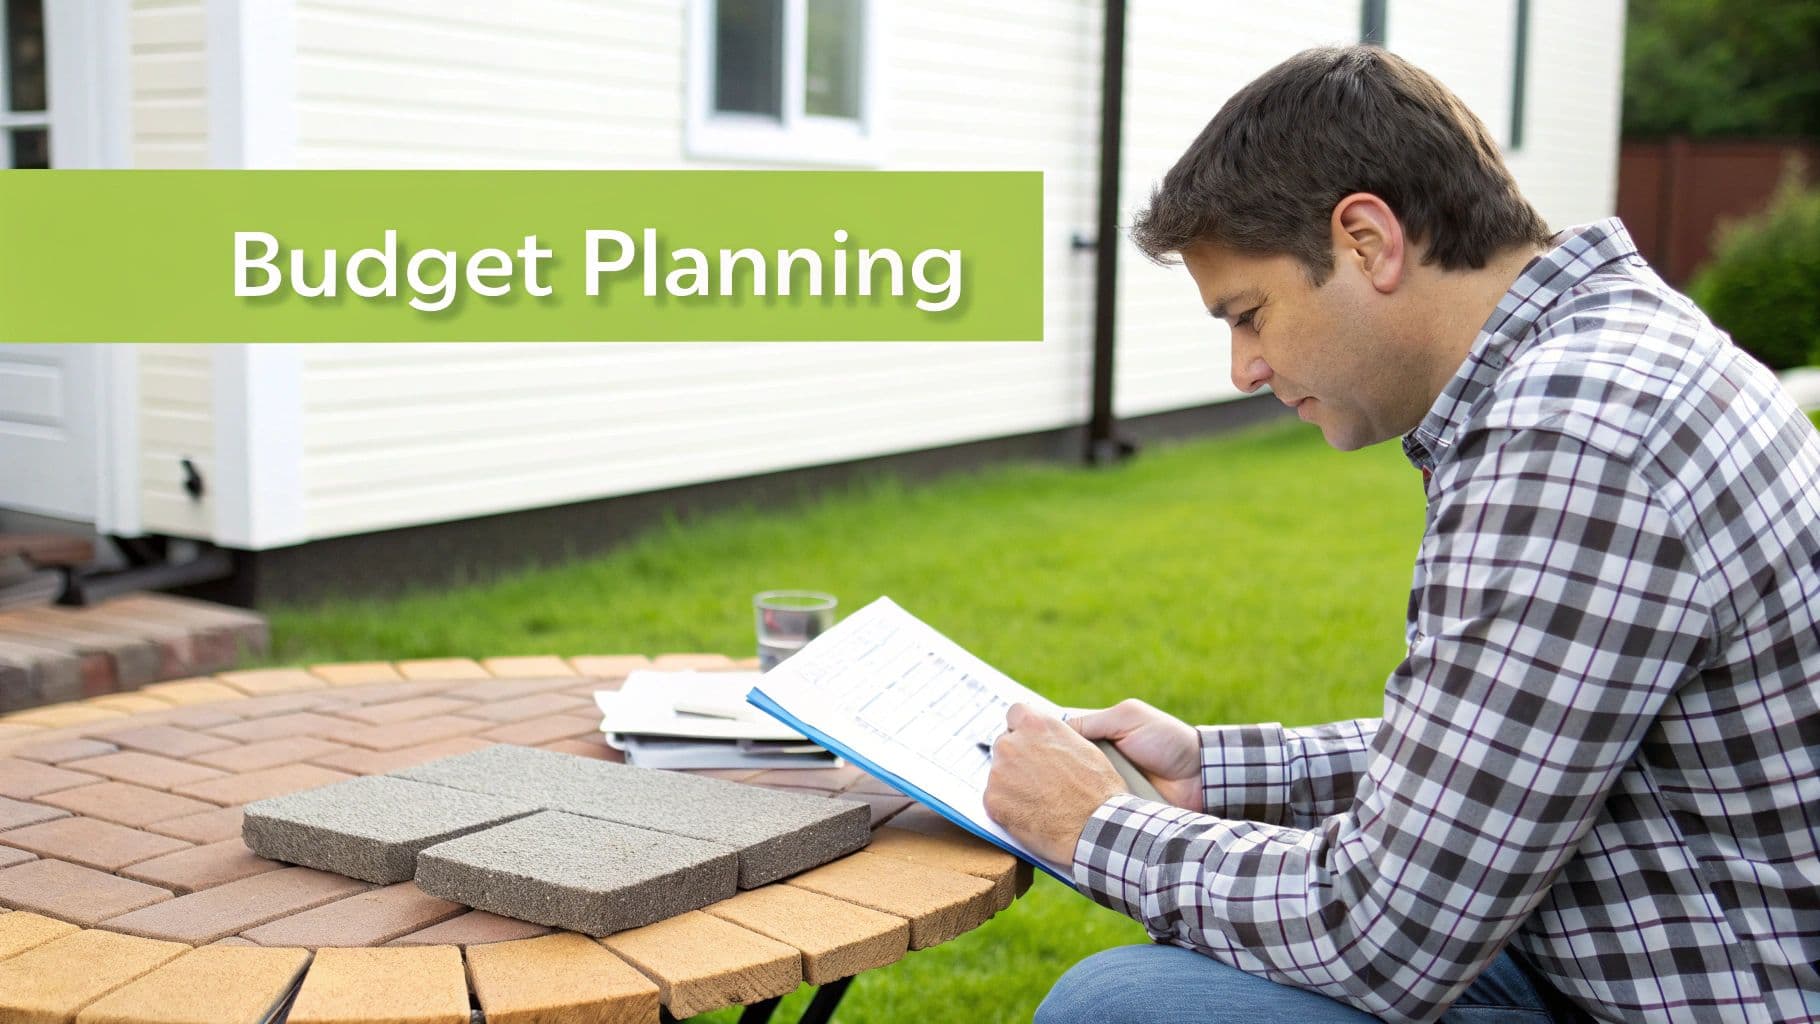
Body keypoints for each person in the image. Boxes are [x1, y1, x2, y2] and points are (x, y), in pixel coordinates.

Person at [982, 45, 1820, 1024]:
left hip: (1709, 993)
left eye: (1248, 314)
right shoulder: (1607, 356)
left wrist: (1094, 825)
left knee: (1123, 1009)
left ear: (1367, 241)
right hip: (1624, 932)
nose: (1243, 369)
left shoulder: (1571, 436)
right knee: (1170, 971)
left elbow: (1382, 934)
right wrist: (1213, 768)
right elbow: (1498, 747)